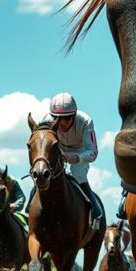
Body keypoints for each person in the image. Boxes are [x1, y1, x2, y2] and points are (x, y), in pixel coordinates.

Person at [26, 92, 102, 230]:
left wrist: (77, 157)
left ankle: (95, 210)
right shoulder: (46, 120)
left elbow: (93, 152)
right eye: (57, 118)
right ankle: (29, 207)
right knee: (43, 172)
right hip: (56, 149)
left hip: (80, 152)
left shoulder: (85, 121)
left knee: (78, 174)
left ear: (74, 115)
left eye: (67, 118)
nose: (61, 123)